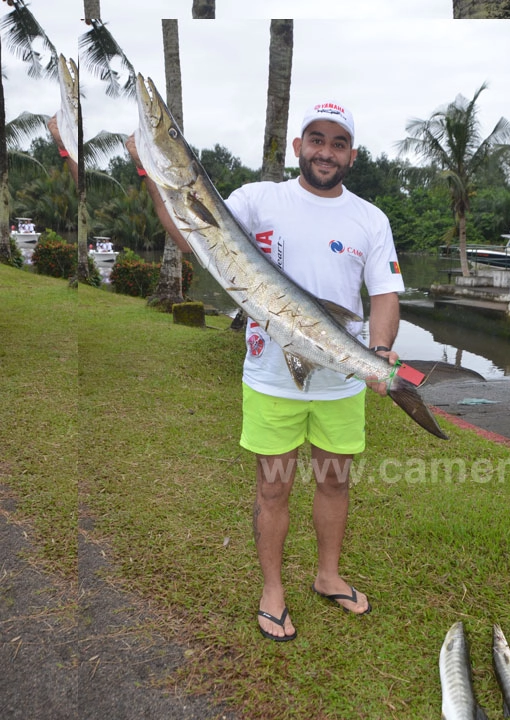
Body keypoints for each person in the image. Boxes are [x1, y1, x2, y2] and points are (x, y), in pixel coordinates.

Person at [130, 101, 403, 642]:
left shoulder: (371, 219)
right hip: (269, 377)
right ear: (299, 145)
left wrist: (380, 350)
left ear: (352, 154)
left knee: (335, 482)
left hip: (341, 381)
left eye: (338, 142)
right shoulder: (257, 199)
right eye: (316, 139)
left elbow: (385, 294)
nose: (326, 151)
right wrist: (148, 169)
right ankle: (272, 591)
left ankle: (328, 576)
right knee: (272, 489)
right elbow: (194, 235)